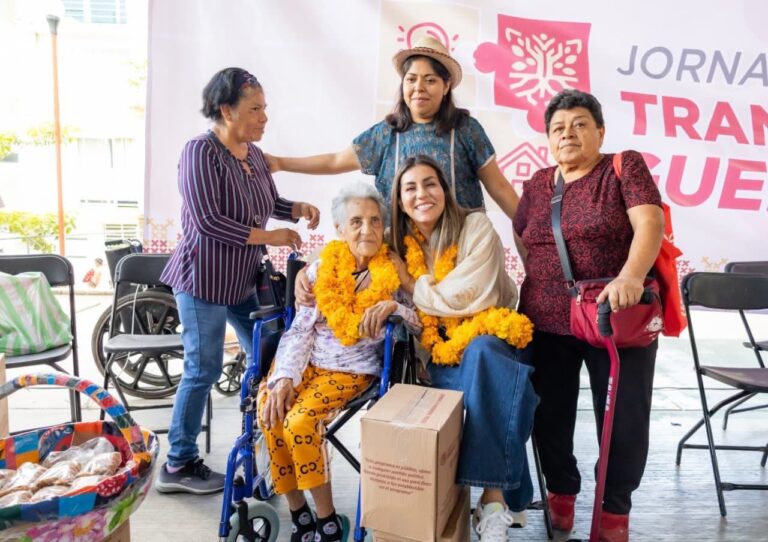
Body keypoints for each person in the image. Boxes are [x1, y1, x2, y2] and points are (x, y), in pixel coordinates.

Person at [155, 67, 320, 494]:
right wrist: (273, 235)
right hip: (202, 280)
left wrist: (293, 207)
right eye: (255, 109)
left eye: (265, 108)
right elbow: (210, 221)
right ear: (227, 111)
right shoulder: (200, 152)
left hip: (243, 281)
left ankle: (266, 454)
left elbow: (262, 200)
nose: (264, 117)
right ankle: (178, 462)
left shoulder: (252, 156)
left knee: (271, 362)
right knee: (203, 367)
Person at [512, 89, 664, 542]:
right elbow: (525, 238)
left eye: (580, 124)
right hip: (547, 319)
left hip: (614, 315)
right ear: (547, 139)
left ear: (600, 131)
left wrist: (630, 276)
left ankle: (613, 513)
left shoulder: (623, 167)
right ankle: (561, 494)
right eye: (558, 128)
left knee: (622, 417)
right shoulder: (538, 183)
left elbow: (650, 223)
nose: (568, 134)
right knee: (548, 413)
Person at [258, 182, 420, 542]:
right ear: (340, 229)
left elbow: (423, 320)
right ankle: (299, 512)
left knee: (299, 421)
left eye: (376, 221)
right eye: (357, 221)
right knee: (270, 407)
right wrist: (284, 376)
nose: (368, 230)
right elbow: (300, 331)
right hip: (308, 361)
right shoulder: (320, 271)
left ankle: (328, 521)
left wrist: (395, 307)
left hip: (355, 369)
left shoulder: (392, 270)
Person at [389, 155, 538, 542]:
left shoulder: (476, 227)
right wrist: (310, 272)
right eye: (411, 187)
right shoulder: (397, 244)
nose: (422, 194)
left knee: (487, 357)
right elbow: (351, 251)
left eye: (430, 183)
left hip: (494, 343)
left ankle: (490, 501)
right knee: (513, 394)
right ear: (400, 200)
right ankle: (510, 492)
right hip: (437, 359)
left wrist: (412, 285)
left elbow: (469, 296)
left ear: (445, 190)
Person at [266, 35, 519, 217]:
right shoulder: (386, 133)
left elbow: (498, 186)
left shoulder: (466, 129)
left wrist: (534, 232)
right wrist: (280, 163)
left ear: (446, 86)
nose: (418, 88)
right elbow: (334, 161)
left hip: (462, 253)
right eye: (411, 79)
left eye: (430, 80)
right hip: (401, 253)